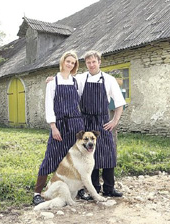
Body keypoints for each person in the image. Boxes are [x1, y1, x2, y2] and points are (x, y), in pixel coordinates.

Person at [33, 51, 85, 206]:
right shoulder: (53, 82)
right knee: (50, 158)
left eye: (73, 63)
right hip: (60, 125)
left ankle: (79, 190)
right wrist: (53, 127)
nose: (70, 64)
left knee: (76, 159)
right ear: (62, 62)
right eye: (68, 61)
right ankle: (37, 193)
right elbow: (49, 105)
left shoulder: (76, 81)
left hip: (76, 125)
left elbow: (92, 80)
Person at [76, 50, 126, 198]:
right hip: (86, 122)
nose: (91, 65)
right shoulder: (80, 78)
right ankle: (94, 190)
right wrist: (53, 79)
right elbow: (65, 81)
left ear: (99, 62)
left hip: (103, 122)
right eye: (88, 62)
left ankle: (109, 188)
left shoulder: (109, 79)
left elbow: (119, 103)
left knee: (109, 155)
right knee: (89, 156)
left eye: (94, 62)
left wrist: (114, 121)